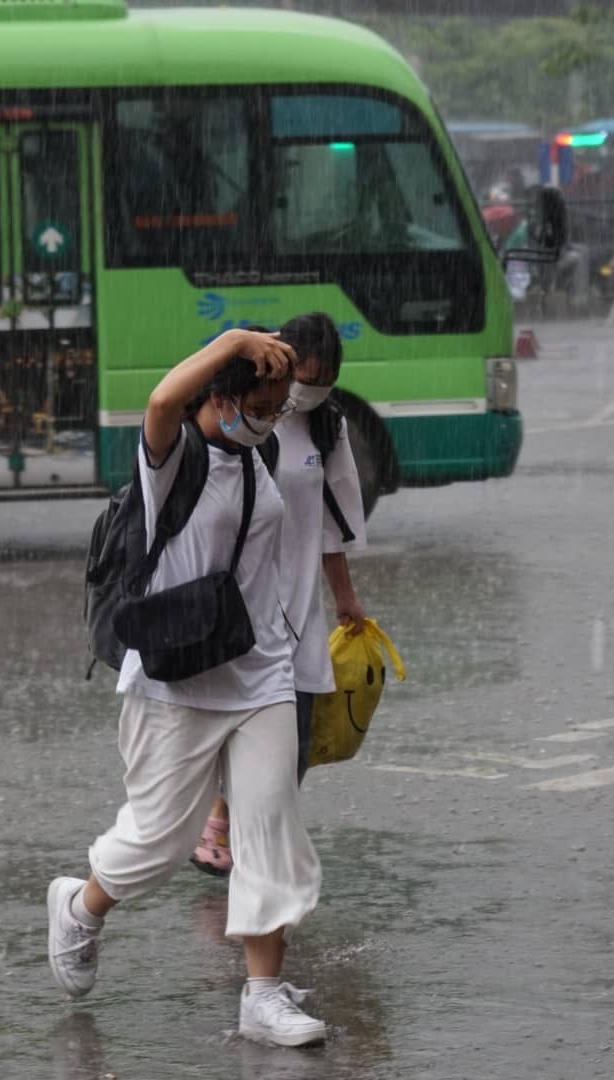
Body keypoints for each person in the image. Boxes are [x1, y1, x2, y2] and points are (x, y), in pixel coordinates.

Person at [45, 327, 329, 1048]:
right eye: (259, 401)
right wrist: (233, 336)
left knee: (269, 831)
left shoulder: (257, 452)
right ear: (222, 395)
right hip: (175, 679)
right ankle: (81, 904)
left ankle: (262, 998)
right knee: (158, 846)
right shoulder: (174, 458)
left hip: (259, 672)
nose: (271, 414)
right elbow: (162, 397)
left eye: (277, 401)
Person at [191, 313, 368, 879]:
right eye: (306, 377)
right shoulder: (248, 416)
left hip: (300, 606)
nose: (311, 391)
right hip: (245, 603)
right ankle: (237, 835)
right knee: (241, 724)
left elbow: (331, 523)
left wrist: (345, 597)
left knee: (298, 742)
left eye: (326, 380)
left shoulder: (327, 427)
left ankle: (248, 831)